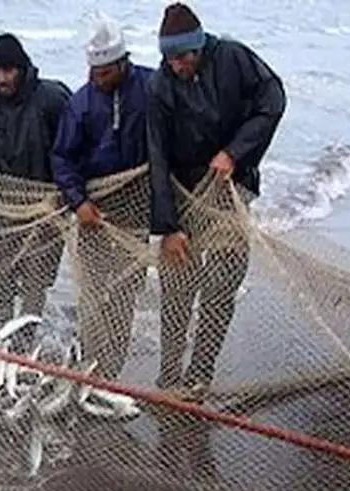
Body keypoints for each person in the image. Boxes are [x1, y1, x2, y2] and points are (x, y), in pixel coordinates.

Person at [147, 3, 286, 400]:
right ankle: (169, 376)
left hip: (231, 188)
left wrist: (235, 152)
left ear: (199, 47)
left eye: (182, 58)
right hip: (184, 190)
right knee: (176, 289)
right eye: (168, 59)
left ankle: (200, 375)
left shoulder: (233, 58)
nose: (176, 66)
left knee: (222, 283)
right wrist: (168, 226)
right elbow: (157, 156)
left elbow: (273, 100)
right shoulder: (159, 86)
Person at [51, 19, 154, 380]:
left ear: (123, 64)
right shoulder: (80, 103)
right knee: (92, 293)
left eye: (105, 71)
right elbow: (62, 158)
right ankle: (88, 365)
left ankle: (111, 372)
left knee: (124, 296)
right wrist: (78, 202)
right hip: (93, 210)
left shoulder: (151, 87)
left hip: (136, 211)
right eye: (93, 70)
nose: (98, 76)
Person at [0, 33, 71, 350]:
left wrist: (68, 199)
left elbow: (73, 151)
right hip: (13, 213)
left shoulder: (53, 100)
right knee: (1, 278)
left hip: (50, 211)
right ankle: (0, 343)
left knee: (35, 284)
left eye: (8, 70)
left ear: (23, 69)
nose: (1, 78)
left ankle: (24, 349)